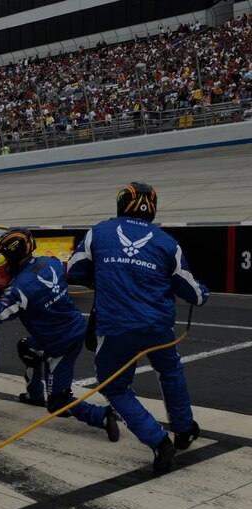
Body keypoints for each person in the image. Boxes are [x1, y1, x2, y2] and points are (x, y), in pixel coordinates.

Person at [67, 182, 209, 475]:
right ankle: (183, 430)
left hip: (116, 328)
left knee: (114, 385)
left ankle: (158, 441)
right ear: (152, 208)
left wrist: (103, 277)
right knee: (170, 371)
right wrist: (203, 293)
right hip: (158, 328)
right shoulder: (167, 242)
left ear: (121, 203)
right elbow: (193, 293)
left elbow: (74, 271)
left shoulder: (99, 232)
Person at [0, 228, 119, 442]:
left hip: (59, 343)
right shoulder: (51, 262)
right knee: (28, 348)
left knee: (58, 403)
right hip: (74, 327)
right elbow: (34, 287)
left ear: (13, 254)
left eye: (5, 255)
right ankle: (34, 395)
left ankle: (101, 415)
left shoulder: (20, 288)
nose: (4, 260)